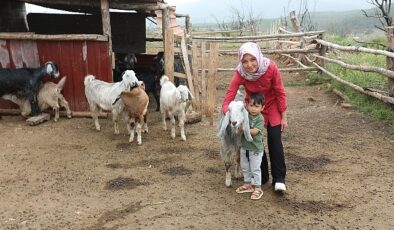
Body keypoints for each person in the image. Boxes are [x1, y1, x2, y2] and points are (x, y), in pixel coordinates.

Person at [222, 42, 288, 193]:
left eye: (252, 59)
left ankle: (279, 179)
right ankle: (262, 175)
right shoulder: (240, 73)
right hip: (252, 108)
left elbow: (280, 92)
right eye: (244, 61)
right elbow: (229, 97)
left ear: (258, 57)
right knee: (254, 140)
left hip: (271, 106)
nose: (249, 65)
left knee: (274, 138)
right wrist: (230, 115)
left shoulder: (271, 68)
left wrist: (283, 115)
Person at [235, 93, 265, 200]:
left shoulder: (260, 119)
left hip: (255, 149)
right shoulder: (245, 116)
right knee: (245, 166)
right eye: (251, 105)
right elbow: (239, 126)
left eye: (257, 106)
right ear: (247, 105)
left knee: (255, 168)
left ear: (262, 107)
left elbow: (255, 132)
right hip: (245, 147)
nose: (253, 109)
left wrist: (244, 129)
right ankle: (247, 184)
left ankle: (258, 187)